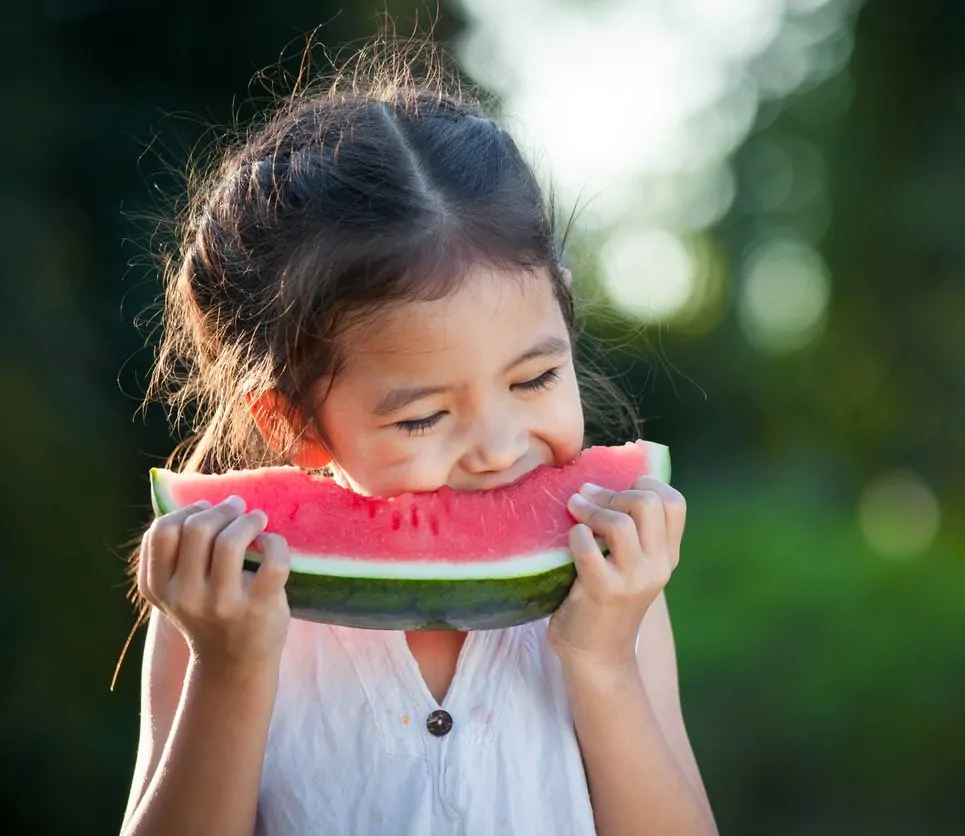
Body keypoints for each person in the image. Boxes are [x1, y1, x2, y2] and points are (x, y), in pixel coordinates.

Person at [119, 40, 716, 836]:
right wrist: (230, 669)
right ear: (294, 421)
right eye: (423, 418)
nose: (500, 447)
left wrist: (602, 662)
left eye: (534, 379)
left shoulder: (615, 588)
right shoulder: (218, 604)